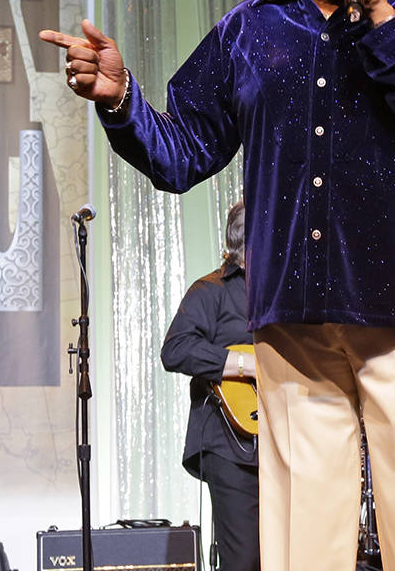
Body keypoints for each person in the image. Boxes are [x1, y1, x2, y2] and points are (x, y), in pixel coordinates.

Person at [41, 0, 395, 571]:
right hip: (293, 327)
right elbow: (182, 154)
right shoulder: (250, 30)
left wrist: (380, 18)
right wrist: (121, 102)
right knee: (301, 544)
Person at [161, 201, 259, 571]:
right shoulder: (210, 290)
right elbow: (175, 350)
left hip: (289, 440)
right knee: (245, 558)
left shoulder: (288, 297)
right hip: (231, 446)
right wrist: (245, 364)